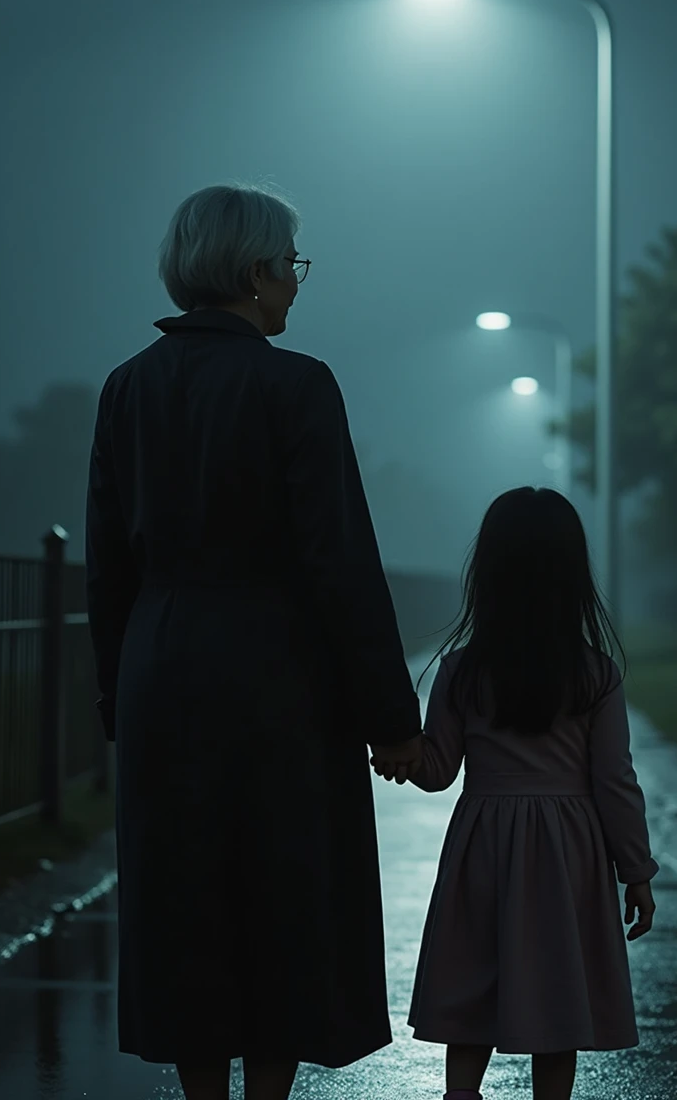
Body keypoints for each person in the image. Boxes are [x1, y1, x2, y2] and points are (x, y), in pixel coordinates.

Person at [85, 182, 424, 1100]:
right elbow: (340, 561)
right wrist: (394, 723)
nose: (296, 287)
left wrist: (119, 696)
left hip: (163, 669)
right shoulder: (296, 385)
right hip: (278, 677)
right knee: (282, 900)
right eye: (290, 267)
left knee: (183, 904)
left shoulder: (126, 389)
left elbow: (107, 568)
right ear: (254, 271)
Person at [372, 487, 659, 1100]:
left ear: (489, 574)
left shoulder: (462, 670)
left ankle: (461, 1094)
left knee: (475, 983)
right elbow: (614, 781)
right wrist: (636, 869)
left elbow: (439, 769)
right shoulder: (596, 674)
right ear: (573, 574)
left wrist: (398, 751)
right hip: (569, 854)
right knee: (559, 997)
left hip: (484, 845)